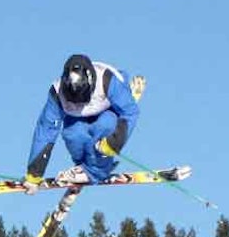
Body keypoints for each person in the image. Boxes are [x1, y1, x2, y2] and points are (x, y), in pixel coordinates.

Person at [23, 54, 143, 192]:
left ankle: (97, 170)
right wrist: (34, 174)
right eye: (73, 99)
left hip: (108, 110)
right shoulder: (58, 93)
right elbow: (46, 131)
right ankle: (84, 165)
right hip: (77, 118)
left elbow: (130, 112)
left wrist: (114, 143)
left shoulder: (107, 80)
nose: (79, 102)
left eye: (81, 97)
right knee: (73, 134)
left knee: (104, 124)